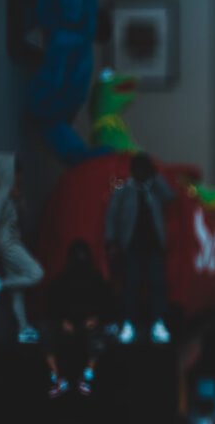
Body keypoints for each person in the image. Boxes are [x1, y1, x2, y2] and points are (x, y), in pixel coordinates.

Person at [105, 152, 173, 345]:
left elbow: (170, 197)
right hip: (132, 246)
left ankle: (158, 323)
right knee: (130, 286)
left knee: (157, 286)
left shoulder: (154, 189)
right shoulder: (124, 189)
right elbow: (111, 215)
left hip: (154, 246)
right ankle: (128, 324)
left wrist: (156, 177)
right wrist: (111, 240)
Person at [0, 152, 44, 343]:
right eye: (17, 172)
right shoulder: (0, 196)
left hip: (12, 243)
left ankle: (23, 328)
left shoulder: (10, 195)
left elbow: (19, 221)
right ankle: (1, 284)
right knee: (36, 274)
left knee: (18, 293)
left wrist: (19, 200)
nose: (20, 177)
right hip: (8, 245)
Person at [44, 240, 113, 398]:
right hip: (65, 323)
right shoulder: (62, 279)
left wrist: (96, 318)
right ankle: (57, 378)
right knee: (46, 330)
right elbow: (51, 304)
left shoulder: (96, 279)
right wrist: (62, 320)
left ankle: (87, 377)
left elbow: (108, 304)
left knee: (100, 335)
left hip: (90, 324)